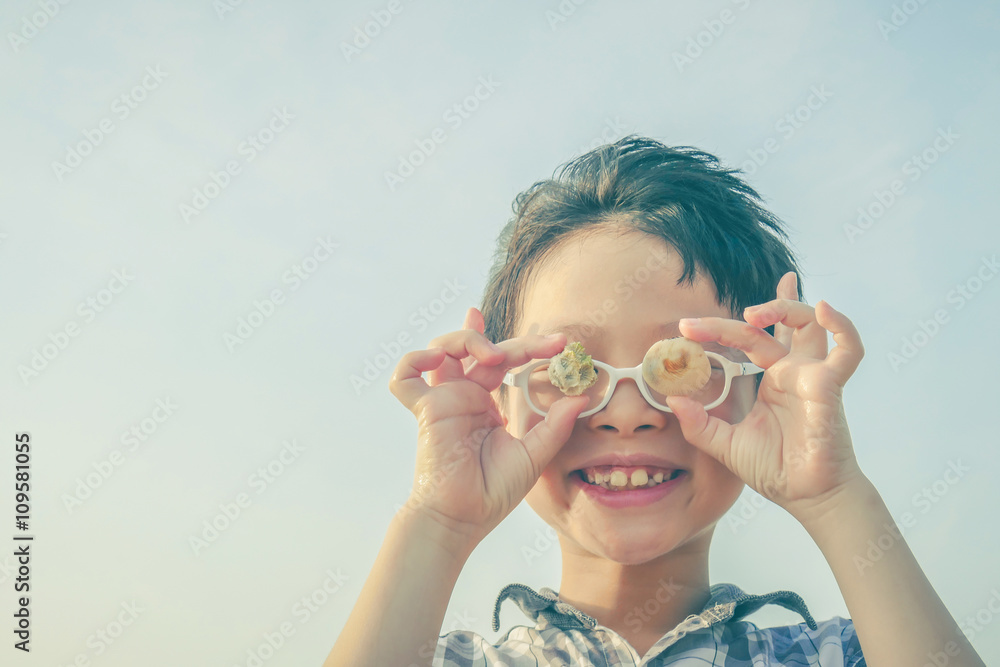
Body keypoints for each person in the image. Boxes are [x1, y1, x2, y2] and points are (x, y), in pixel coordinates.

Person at [326, 136, 985, 666]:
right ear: (500, 394)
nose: (626, 410)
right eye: (570, 365)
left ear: (763, 389)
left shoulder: (831, 656)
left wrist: (836, 497)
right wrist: (436, 523)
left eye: (677, 363)